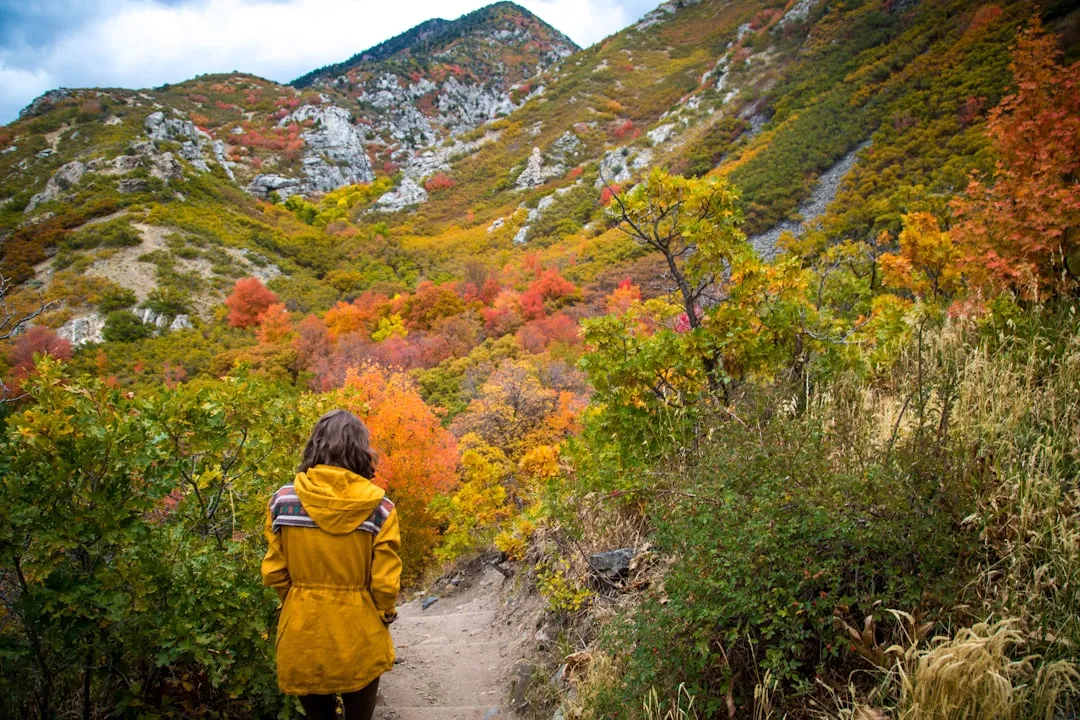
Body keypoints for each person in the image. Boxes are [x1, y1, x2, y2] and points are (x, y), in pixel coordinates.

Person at [261, 409, 401, 720]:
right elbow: (385, 584)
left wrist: (298, 600)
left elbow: (273, 571)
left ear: (315, 446)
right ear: (361, 450)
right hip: (359, 631)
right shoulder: (380, 507)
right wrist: (384, 611)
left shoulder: (283, 501)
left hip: (302, 630)